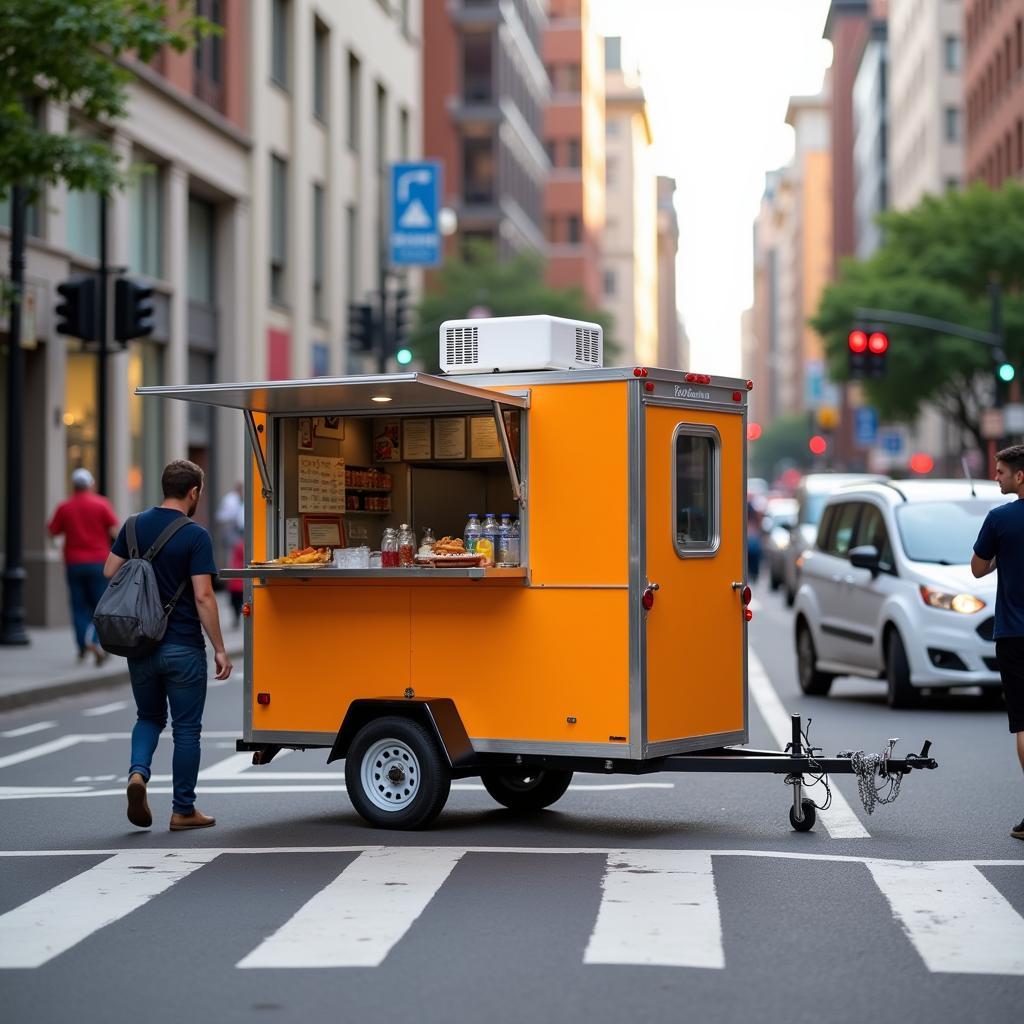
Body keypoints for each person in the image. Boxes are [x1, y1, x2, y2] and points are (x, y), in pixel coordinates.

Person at [104, 459, 233, 832]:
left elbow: (110, 571)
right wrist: (220, 648)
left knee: (148, 717)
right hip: (182, 646)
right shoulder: (195, 535)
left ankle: (138, 774)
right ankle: (183, 810)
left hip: (140, 644)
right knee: (187, 729)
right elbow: (204, 596)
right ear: (194, 492)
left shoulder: (132, 525)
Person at [971, 443, 1024, 841]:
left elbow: (976, 569)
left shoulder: (1000, 519)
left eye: (1001, 471)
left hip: (1015, 634)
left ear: (1019, 476)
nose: (996, 476)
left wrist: (998, 558)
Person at [48, 468, 118, 665]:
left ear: (74, 485)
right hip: (98, 562)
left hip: (74, 563)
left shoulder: (65, 507)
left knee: (78, 607)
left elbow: (52, 531)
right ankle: (95, 640)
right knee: (100, 606)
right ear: (90, 484)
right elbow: (114, 530)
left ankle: (82, 646)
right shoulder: (101, 504)